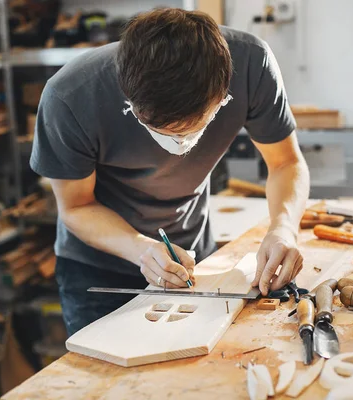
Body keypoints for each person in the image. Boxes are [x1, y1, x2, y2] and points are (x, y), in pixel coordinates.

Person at [30, 8, 310, 336]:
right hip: (99, 269)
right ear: (130, 101)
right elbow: (76, 207)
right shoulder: (70, 96)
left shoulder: (251, 64)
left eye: (191, 129)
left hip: (193, 258)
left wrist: (284, 228)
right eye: (165, 131)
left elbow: (286, 163)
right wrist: (140, 249)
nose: (179, 144)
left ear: (223, 95)